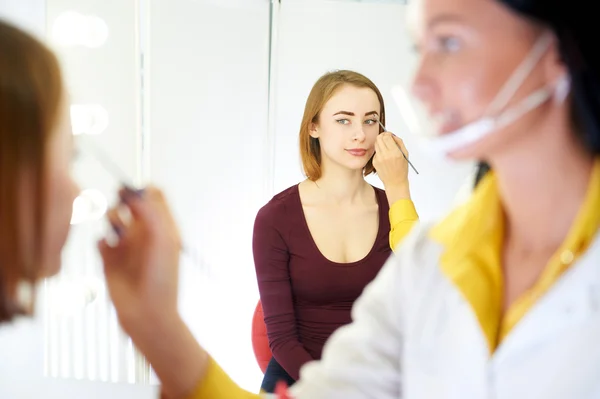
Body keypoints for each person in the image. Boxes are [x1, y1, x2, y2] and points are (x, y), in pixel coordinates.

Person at [166, 0, 600, 397]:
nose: (420, 83)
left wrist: (397, 191)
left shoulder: (415, 232)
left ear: (556, 49)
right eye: (419, 49)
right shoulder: (438, 250)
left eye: (449, 42)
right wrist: (156, 325)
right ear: (313, 127)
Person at [253, 70, 419, 392]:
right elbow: (282, 339)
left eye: (371, 121)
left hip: (375, 381)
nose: (360, 135)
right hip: (299, 378)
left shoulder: (395, 208)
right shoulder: (274, 218)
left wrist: (399, 187)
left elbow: (423, 296)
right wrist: (334, 390)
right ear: (313, 127)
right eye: (344, 120)